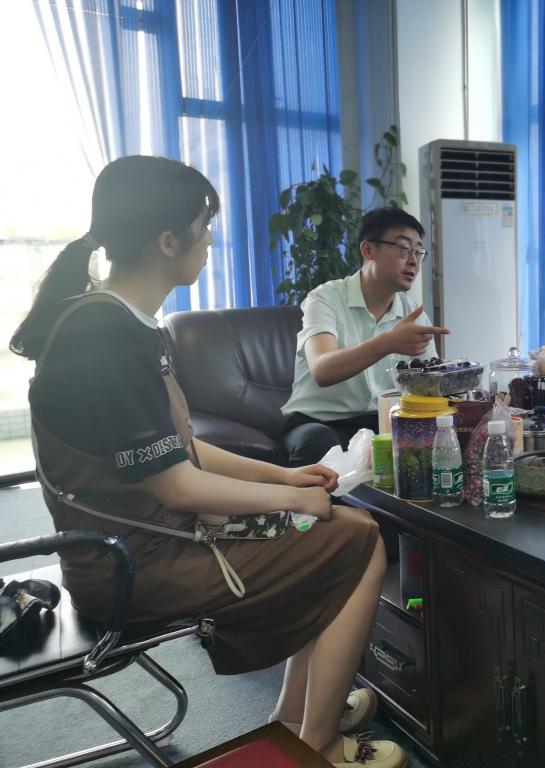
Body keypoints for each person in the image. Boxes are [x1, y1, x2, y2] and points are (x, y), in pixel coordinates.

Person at [12, 156, 406, 767]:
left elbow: (184, 449)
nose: (211, 241)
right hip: (133, 563)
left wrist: (283, 476)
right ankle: (320, 743)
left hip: (143, 541)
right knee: (355, 540)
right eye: (204, 228)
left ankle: (294, 720)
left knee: (339, 529)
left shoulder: (122, 322)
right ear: (167, 242)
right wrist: (294, 498)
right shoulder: (106, 337)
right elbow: (178, 486)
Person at [280, 208, 448, 467]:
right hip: (318, 422)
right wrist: (388, 342)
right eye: (403, 249)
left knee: (437, 433)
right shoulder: (325, 299)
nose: (413, 261)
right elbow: (322, 370)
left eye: (418, 251)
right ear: (368, 250)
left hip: (382, 422)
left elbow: (431, 387)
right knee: (320, 444)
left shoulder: (412, 312)